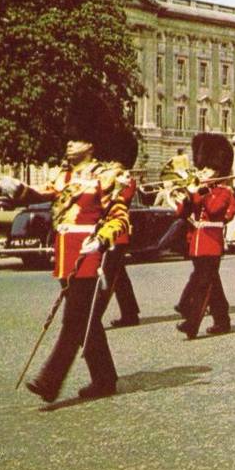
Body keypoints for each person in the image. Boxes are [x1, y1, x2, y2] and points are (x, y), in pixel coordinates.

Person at [0, 99, 129, 402]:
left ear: (92, 143)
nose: (69, 144)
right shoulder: (64, 176)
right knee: (86, 320)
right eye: (69, 139)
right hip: (65, 255)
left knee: (73, 321)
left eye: (77, 138)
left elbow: (119, 217)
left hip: (89, 254)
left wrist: (102, 238)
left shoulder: (106, 175)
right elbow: (41, 195)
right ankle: (105, 378)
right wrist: (16, 189)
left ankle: (50, 381)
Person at [174, 133, 235, 339]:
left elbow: (213, 209)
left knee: (203, 283)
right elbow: (181, 213)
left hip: (211, 241)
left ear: (218, 170)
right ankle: (223, 320)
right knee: (212, 283)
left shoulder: (223, 192)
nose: (203, 172)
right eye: (202, 168)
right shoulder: (202, 189)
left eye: (207, 168)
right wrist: (185, 195)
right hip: (197, 241)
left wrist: (198, 192)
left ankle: (191, 323)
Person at [94, 126, 141, 329]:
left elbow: (119, 203)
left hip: (118, 234)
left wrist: (114, 189)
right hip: (106, 231)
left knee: (107, 278)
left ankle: (93, 317)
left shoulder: (127, 181)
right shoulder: (108, 177)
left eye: (113, 160)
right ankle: (130, 313)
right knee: (119, 276)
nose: (110, 163)